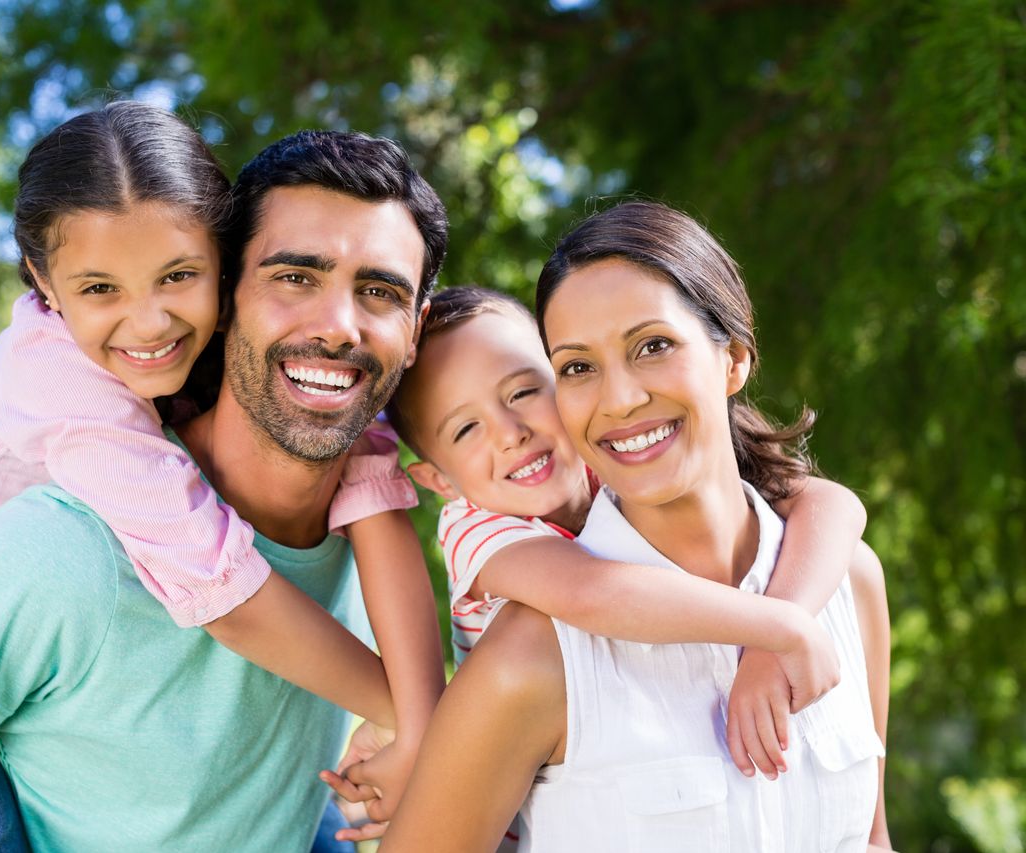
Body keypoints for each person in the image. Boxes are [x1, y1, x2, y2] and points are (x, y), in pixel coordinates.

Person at [0, 128, 448, 852]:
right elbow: (221, 590)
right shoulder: (72, 496)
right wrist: (428, 724)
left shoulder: (344, 493)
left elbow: (375, 481)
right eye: (295, 276)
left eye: (379, 291)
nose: (335, 326)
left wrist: (420, 723)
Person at [378, 202, 892, 852]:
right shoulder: (529, 644)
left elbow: (873, 839)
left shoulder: (847, 580)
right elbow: (593, 595)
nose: (619, 399)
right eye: (579, 366)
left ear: (733, 357)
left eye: (653, 345)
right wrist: (780, 627)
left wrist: (780, 625)